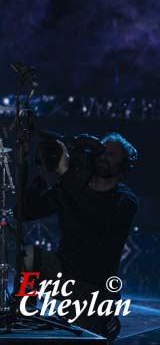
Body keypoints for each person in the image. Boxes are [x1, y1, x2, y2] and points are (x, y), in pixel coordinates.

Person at [22, 132, 139, 340]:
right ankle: (25, 311)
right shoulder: (72, 187)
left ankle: (105, 318)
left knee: (77, 337)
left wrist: (66, 174)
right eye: (102, 151)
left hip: (94, 286)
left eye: (111, 155)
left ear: (124, 166)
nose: (103, 156)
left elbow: (95, 213)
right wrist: (42, 178)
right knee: (27, 256)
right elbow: (24, 213)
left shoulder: (125, 200)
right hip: (62, 273)